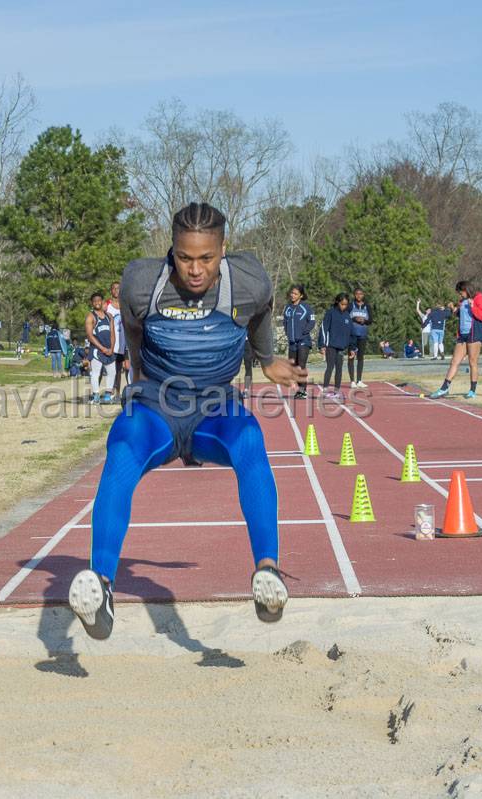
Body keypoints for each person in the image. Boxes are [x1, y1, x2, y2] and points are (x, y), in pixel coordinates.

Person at [66, 202, 306, 640]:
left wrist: (267, 358)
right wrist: (138, 380)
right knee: (121, 447)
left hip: (215, 406)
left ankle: (267, 573)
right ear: (170, 250)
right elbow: (135, 331)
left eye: (206, 258)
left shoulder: (249, 280)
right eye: (184, 257)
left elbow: (263, 309)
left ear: (224, 250)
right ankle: (100, 587)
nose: (195, 270)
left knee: (250, 438)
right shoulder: (143, 281)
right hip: (157, 403)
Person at [427, 280, 482, 399]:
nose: (460, 295)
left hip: (474, 334)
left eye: (461, 293)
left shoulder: (478, 298)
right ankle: (444, 388)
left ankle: (472, 390)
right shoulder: (462, 301)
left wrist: (473, 306)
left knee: (472, 362)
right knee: (454, 362)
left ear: (466, 290)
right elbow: (461, 315)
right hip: (462, 335)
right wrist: (453, 309)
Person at [84, 291, 117, 403]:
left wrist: (112, 348)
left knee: (112, 372)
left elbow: (112, 333)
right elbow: (89, 335)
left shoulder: (109, 316)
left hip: (109, 349)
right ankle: (96, 395)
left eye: (99, 300)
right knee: (95, 373)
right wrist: (102, 348)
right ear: (92, 303)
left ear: (102, 301)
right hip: (97, 350)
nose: (97, 303)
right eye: (95, 301)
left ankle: (108, 396)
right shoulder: (90, 316)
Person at [283, 284, 313, 399]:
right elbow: (285, 322)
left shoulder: (306, 307)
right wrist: (287, 333)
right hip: (292, 343)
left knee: (301, 366)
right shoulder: (288, 308)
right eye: (292, 293)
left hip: (303, 342)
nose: (292, 295)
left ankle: (303, 390)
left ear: (301, 295)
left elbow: (312, 322)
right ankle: (300, 389)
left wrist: (303, 333)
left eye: (295, 293)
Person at [319, 293, 351, 398]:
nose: (344, 306)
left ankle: (337, 391)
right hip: (331, 345)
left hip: (341, 346)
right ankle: (325, 390)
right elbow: (324, 328)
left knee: (339, 368)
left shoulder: (347, 315)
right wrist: (322, 345)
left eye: (346, 304)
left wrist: (352, 347)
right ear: (337, 302)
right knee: (330, 367)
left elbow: (350, 332)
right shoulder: (330, 313)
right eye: (342, 304)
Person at [105, 280, 129, 396]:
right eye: (114, 288)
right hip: (112, 343)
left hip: (125, 342)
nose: (116, 290)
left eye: (118, 288)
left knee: (125, 368)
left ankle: (120, 393)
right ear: (111, 291)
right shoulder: (107, 305)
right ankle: (110, 392)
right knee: (113, 369)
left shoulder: (126, 304)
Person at [346, 287, 372, 389]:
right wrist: (354, 319)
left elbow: (370, 320)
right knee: (351, 356)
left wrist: (363, 321)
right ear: (354, 295)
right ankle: (352, 381)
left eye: (360, 294)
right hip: (352, 335)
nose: (359, 295)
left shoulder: (367, 306)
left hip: (363, 335)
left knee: (360, 357)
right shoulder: (350, 305)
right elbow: (346, 317)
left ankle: (359, 380)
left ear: (363, 295)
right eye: (357, 294)